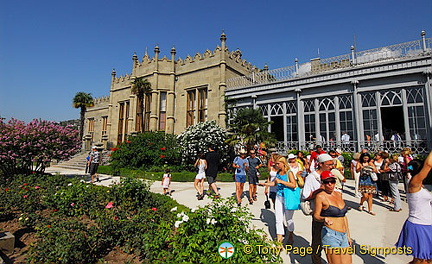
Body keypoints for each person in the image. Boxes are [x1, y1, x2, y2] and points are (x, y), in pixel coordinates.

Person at [396, 151, 432, 263]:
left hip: (427, 224)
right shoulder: (414, 183)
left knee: (429, 259)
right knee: (420, 260)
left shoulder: (420, 185)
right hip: (418, 225)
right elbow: (429, 165)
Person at [302, 154, 335, 264]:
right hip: (319, 212)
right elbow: (305, 195)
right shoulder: (311, 177)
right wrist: (319, 190)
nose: (331, 166)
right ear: (320, 164)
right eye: (328, 164)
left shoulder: (331, 175)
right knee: (317, 240)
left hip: (332, 212)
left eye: (332, 164)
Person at [314, 171, 352, 264]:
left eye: (332, 181)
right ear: (322, 183)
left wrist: (348, 235)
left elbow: (344, 216)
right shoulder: (320, 196)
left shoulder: (339, 194)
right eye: (327, 182)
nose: (330, 184)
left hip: (343, 234)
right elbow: (316, 215)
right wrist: (323, 219)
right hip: (330, 235)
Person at [260, 157, 298, 245]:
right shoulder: (277, 172)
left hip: (288, 197)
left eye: (278, 164)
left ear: (283, 163)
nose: (276, 165)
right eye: (276, 164)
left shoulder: (289, 173)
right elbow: (274, 183)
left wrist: (281, 181)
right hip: (279, 196)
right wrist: (265, 184)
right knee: (278, 218)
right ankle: (279, 240)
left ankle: (291, 234)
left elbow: (293, 184)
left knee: (289, 219)